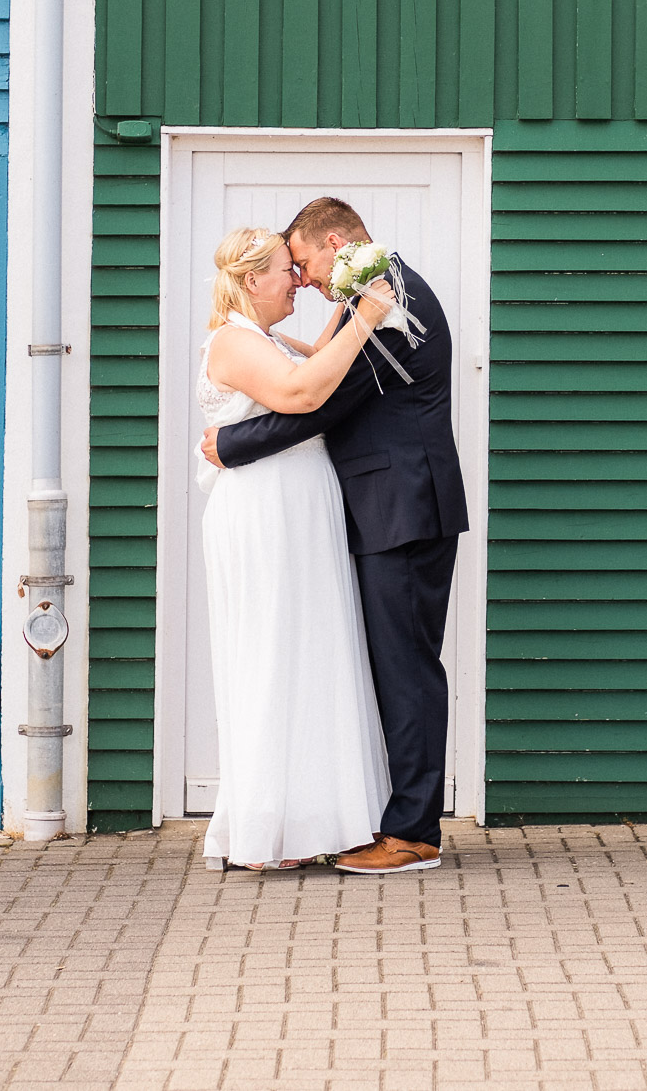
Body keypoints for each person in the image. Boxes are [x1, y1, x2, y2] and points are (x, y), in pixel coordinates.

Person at [202, 197, 468, 875]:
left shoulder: (387, 302)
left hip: (402, 508)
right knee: (395, 667)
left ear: (335, 241)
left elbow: (318, 403)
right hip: (392, 507)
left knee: (406, 671)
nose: (305, 279)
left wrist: (230, 442)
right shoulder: (379, 295)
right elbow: (319, 373)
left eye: (304, 262)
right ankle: (393, 820)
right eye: (289, 270)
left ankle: (412, 835)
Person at [196, 225, 394, 871]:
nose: (297, 282)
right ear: (254, 280)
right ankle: (264, 828)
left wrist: (347, 300)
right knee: (270, 652)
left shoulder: (267, 337)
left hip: (300, 510)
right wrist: (365, 318)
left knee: (307, 653)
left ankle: (305, 819)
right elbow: (303, 393)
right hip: (263, 513)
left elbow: (318, 366)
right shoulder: (232, 340)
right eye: (287, 270)